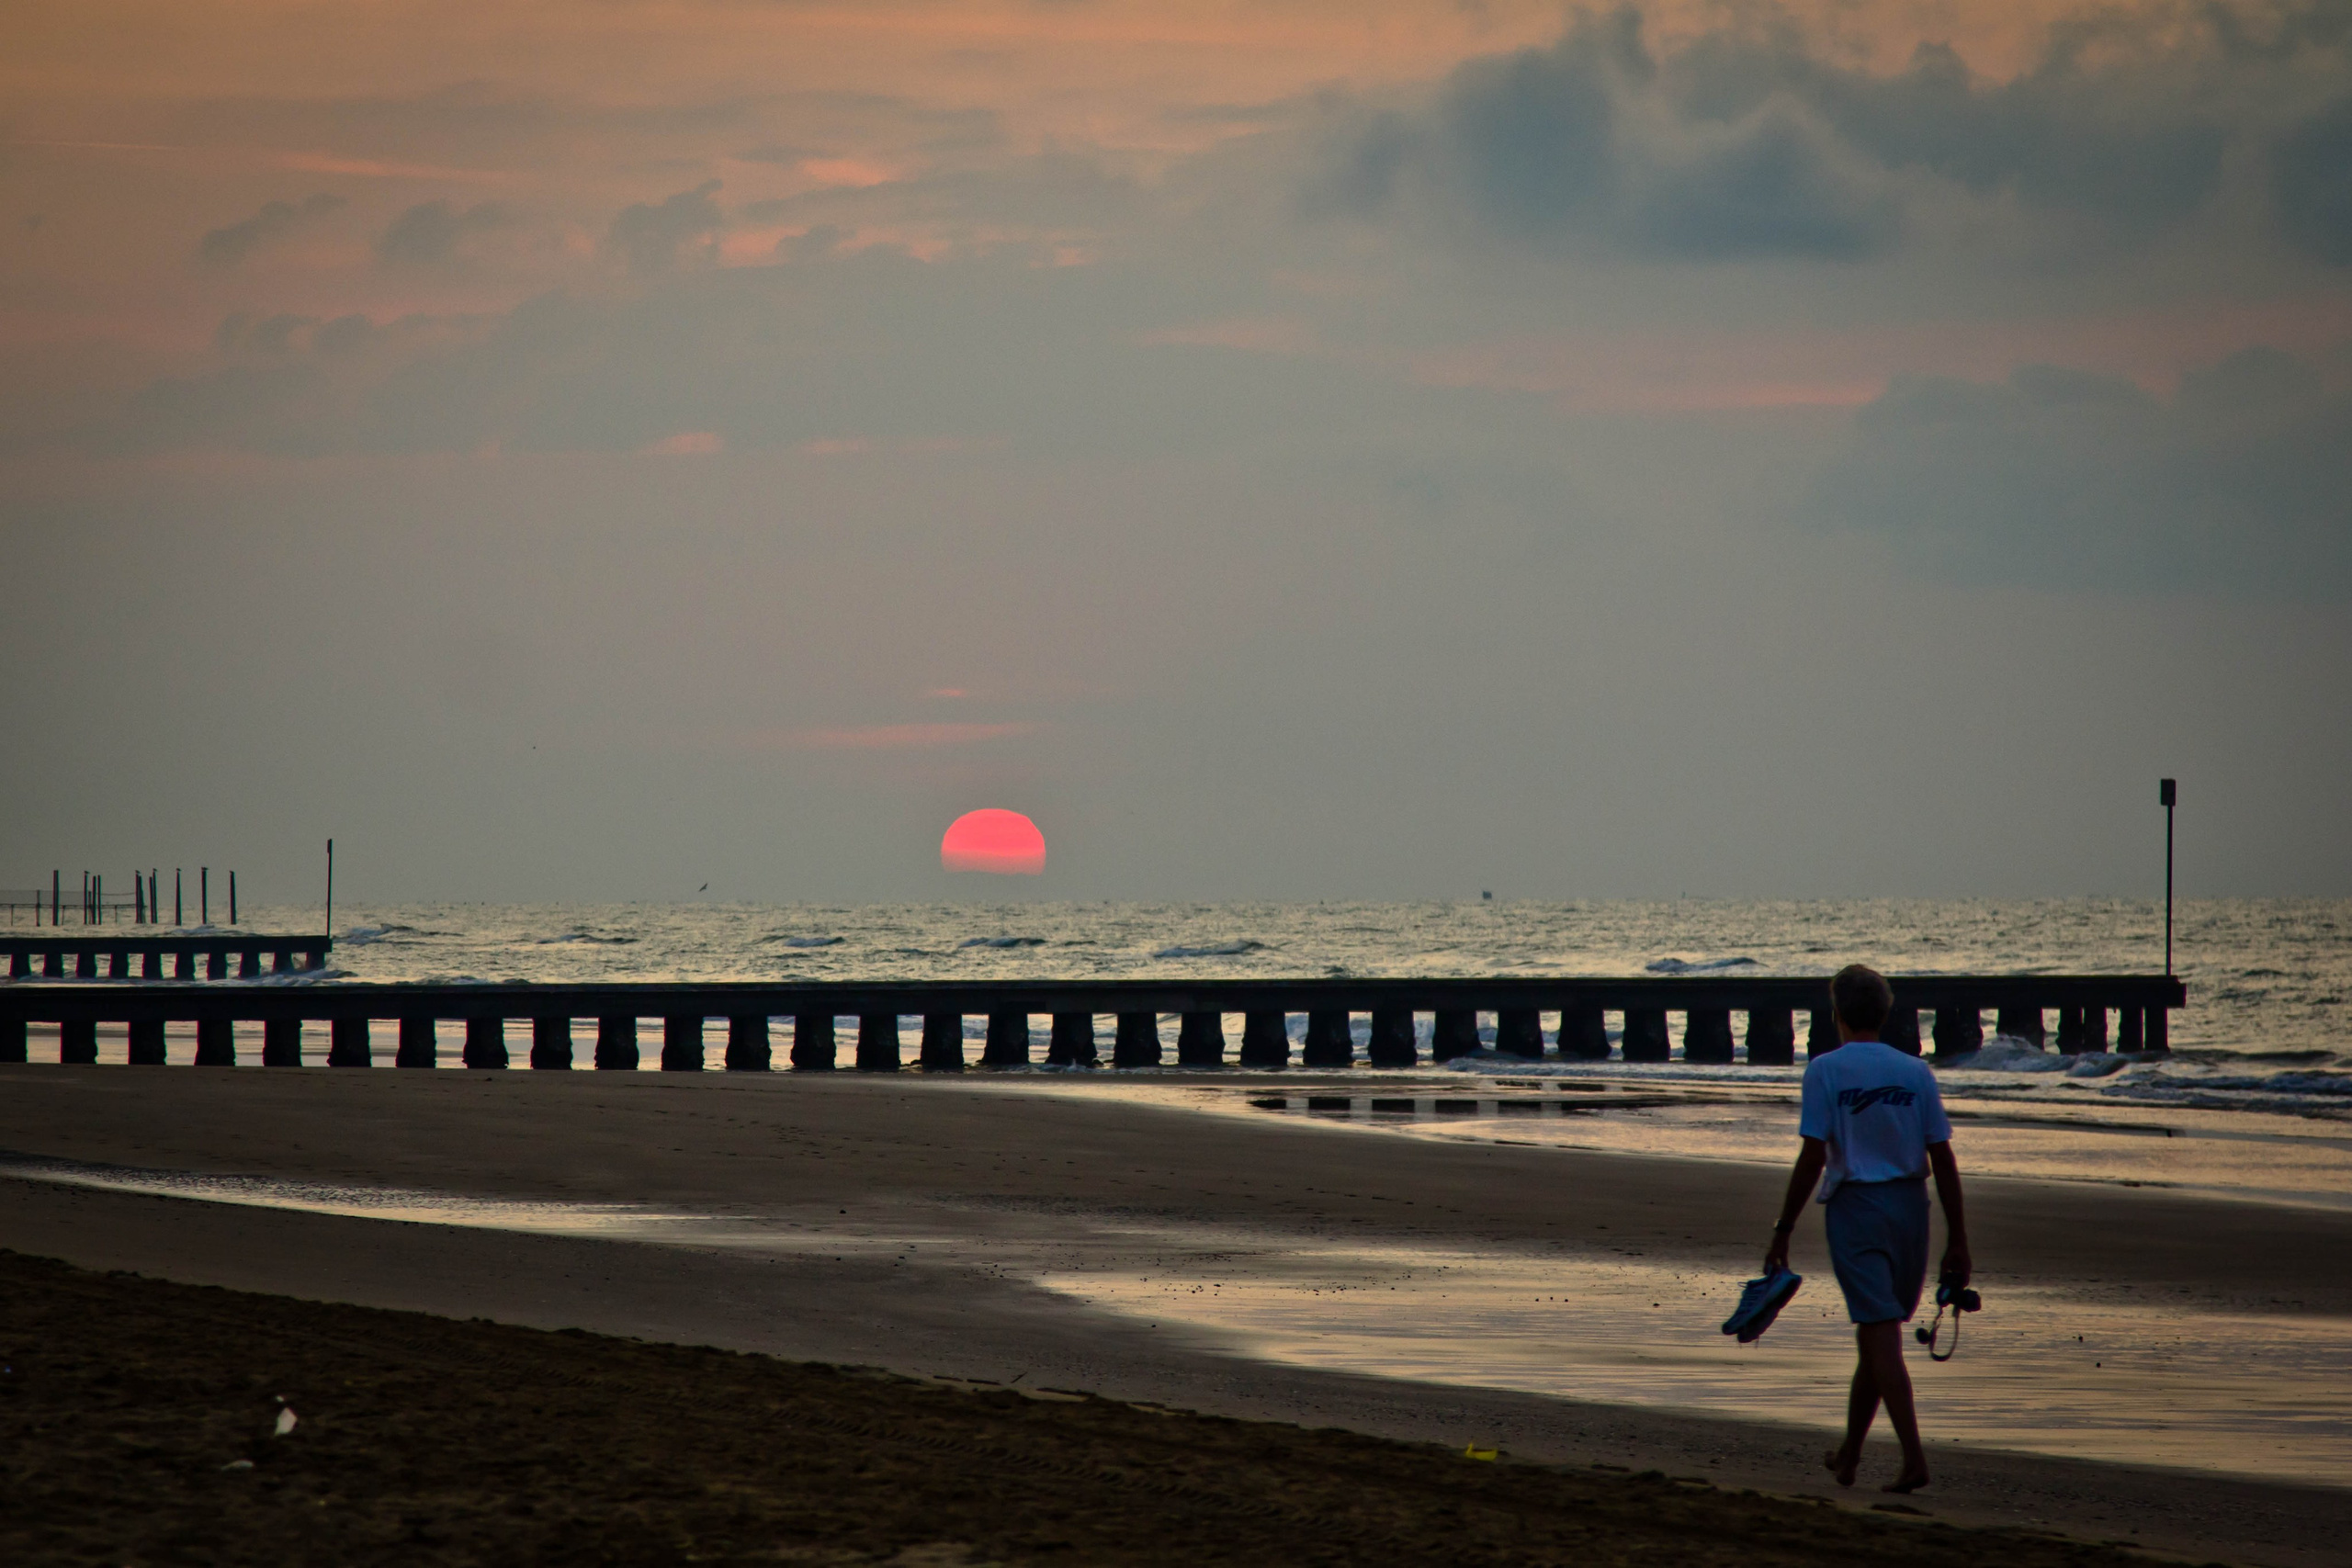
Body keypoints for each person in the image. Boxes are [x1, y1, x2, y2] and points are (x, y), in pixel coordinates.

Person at [1762, 964, 1971, 1495]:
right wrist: (1958, 1237)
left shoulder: (1825, 1070)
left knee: (1880, 1335)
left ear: (1836, 1014)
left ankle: (1914, 1459)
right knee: (1877, 1335)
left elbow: (1814, 1155)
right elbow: (1942, 1157)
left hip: (1856, 1209)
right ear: (1886, 1013)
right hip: (1912, 1210)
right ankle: (1850, 1455)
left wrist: (1784, 1228)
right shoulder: (1915, 1072)